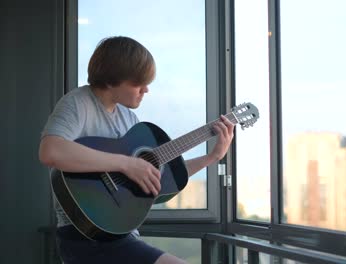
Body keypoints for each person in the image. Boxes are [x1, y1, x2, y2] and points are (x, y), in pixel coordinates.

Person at [38, 36, 234, 264]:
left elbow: (164, 176)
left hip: (121, 235)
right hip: (86, 238)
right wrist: (127, 164)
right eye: (138, 83)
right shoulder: (78, 103)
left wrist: (213, 156)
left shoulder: (129, 119)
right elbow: (50, 151)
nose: (146, 90)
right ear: (112, 81)